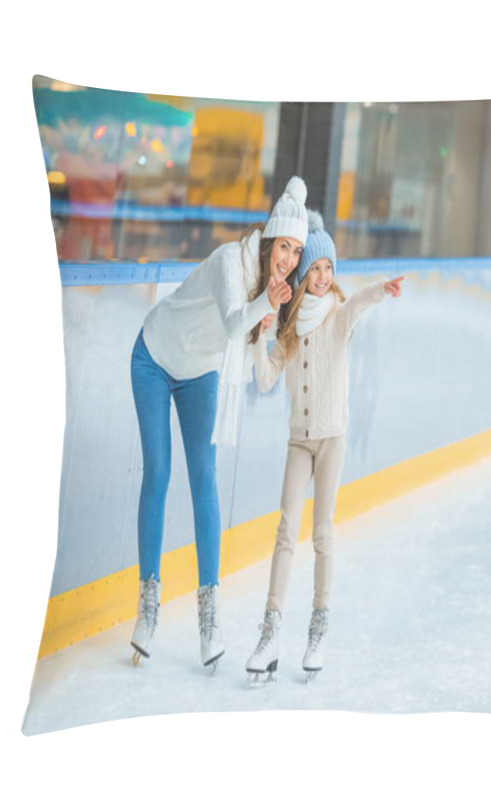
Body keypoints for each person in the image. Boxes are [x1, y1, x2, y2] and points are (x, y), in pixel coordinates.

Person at [129, 176, 309, 668]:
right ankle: (148, 606)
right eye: (285, 247)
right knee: (160, 473)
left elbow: (258, 367)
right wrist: (265, 308)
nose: (289, 259)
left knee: (204, 481)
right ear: (270, 239)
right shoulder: (233, 261)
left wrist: (277, 339)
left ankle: (209, 615)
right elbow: (234, 322)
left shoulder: (266, 290)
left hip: (200, 374)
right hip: (154, 356)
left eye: (297, 251)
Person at [245, 210, 404, 682]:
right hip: (299, 441)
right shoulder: (291, 329)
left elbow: (357, 304)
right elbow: (266, 378)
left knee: (322, 533)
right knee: (285, 530)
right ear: (303, 272)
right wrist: (264, 335)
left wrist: (381, 291)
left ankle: (319, 626)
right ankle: (270, 629)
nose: (321, 276)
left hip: (332, 439)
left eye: (327, 269)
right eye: (313, 268)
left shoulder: (337, 318)